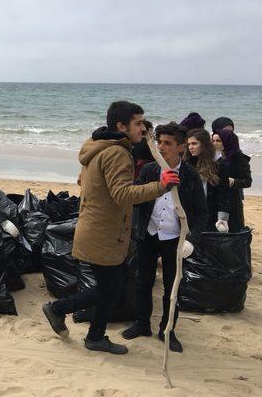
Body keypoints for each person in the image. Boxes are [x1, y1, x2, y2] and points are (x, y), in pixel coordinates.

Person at [42, 101, 175, 354]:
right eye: (138, 124)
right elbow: (122, 194)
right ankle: (64, 314)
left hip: (96, 228)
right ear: (121, 126)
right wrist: (161, 186)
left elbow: (85, 182)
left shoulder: (99, 147)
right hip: (104, 233)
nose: (143, 129)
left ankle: (89, 332)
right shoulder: (116, 153)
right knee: (109, 289)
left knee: (110, 288)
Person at [122, 123, 208, 353]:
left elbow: (201, 213)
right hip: (148, 234)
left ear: (181, 147)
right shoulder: (150, 170)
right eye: (159, 142)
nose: (161, 147)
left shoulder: (190, 176)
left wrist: (192, 239)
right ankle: (142, 323)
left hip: (175, 239)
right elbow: (136, 197)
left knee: (173, 285)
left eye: (167, 143)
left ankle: (167, 329)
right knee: (143, 281)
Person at [185, 128, 230, 232]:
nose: (190, 147)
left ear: (204, 144)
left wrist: (222, 217)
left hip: (211, 210)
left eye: (194, 143)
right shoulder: (188, 162)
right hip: (191, 211)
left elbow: (224, 192)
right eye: (189, 144)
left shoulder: (218, 163)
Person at [212, 129, 252, 233]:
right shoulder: (214, 157)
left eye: (219, 141)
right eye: (213, 141)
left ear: (227, 141)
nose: (215, 144)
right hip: (218, 199)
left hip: (233, 200)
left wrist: (233, 181)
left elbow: (248, 181)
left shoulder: (239, 158)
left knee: (233, 233)